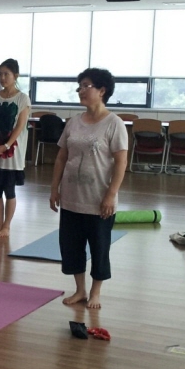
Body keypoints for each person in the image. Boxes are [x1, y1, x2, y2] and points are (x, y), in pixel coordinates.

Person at [49, 68, 128, 310]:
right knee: (72, 247)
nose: (81, 91)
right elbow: (61, 157)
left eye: (86, 86)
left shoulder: (114, 123)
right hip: (72, 198)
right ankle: (80, 290)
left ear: (102, 90)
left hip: (98, 200)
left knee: (99, 248)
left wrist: (110, 195)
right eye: (80, 86)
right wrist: (54, 189)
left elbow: (121, 162)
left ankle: (95, 292)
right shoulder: (73, 122)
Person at [0, 58, 31, 238]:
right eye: (0, 74)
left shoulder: (22, 98)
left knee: (9, 190)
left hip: (12, 152)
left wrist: (7, 145)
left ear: (15, 75)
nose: (2, 78)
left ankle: (7, 226)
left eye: (6, 74)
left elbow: (20, 126)